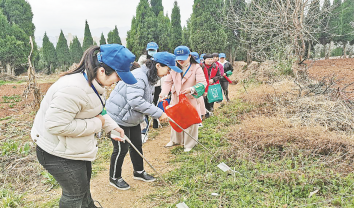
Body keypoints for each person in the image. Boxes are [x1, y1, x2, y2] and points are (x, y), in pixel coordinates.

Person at [32, 44, 135, 208]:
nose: (119, 81)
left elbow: (96, 110)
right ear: (102, 70)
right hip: (57, 152)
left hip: (73, 147)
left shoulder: (94, 82)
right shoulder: (73, 89)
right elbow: (55, 125)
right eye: (118, 76)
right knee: (74, 195)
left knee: (83, 188)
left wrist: (111, 126)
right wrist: (97, 124)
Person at [105, 52, 180, 190]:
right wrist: (158, 113)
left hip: (130, 117)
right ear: (158, 65)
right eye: (168, 69)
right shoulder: (140, 76)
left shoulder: (150, 75)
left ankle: (138, 172)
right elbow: (136, 101)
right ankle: (114, 177)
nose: (168, 73)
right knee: (121, 148)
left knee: (137, 144)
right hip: (117, 116)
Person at [161, 46, 207, 152]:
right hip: (176, 98)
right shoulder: (173, 67)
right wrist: (164, 93)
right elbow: (168, 82)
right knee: (175, 118)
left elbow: (202, 83)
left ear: (190, 56)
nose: (180, 60)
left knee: (190, 121)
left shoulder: (196, 67)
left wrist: (191, 89)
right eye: (178, 58)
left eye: (183, 57)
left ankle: (189, 144)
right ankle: (175, 140)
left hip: (190, 98)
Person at [137, 42, 159, 135]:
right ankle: (145, 127)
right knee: (145, 103)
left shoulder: (159, 58)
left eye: (153, 50)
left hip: (157, 85)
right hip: (146, 84)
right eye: (150, 50)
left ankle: (156, 120)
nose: (152, 52)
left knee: (156, 102)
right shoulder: (142, 59)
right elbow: (139, 68)